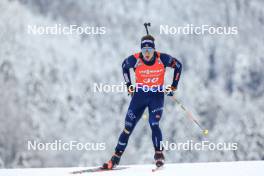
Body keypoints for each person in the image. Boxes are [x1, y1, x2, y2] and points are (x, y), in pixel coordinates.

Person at [102, 34, 182, 169]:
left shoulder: (162, 58)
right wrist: (129, 85)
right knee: (128, 127)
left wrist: (174, 85)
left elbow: (178, 66)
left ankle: (159, 154)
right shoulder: (135, 59)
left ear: (154, 50)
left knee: (154, 123)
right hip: (139, 96)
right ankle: (115, 158)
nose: (147, 54)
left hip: (156, 96)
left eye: (149, 50)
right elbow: (124, 66)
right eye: (144, 50)